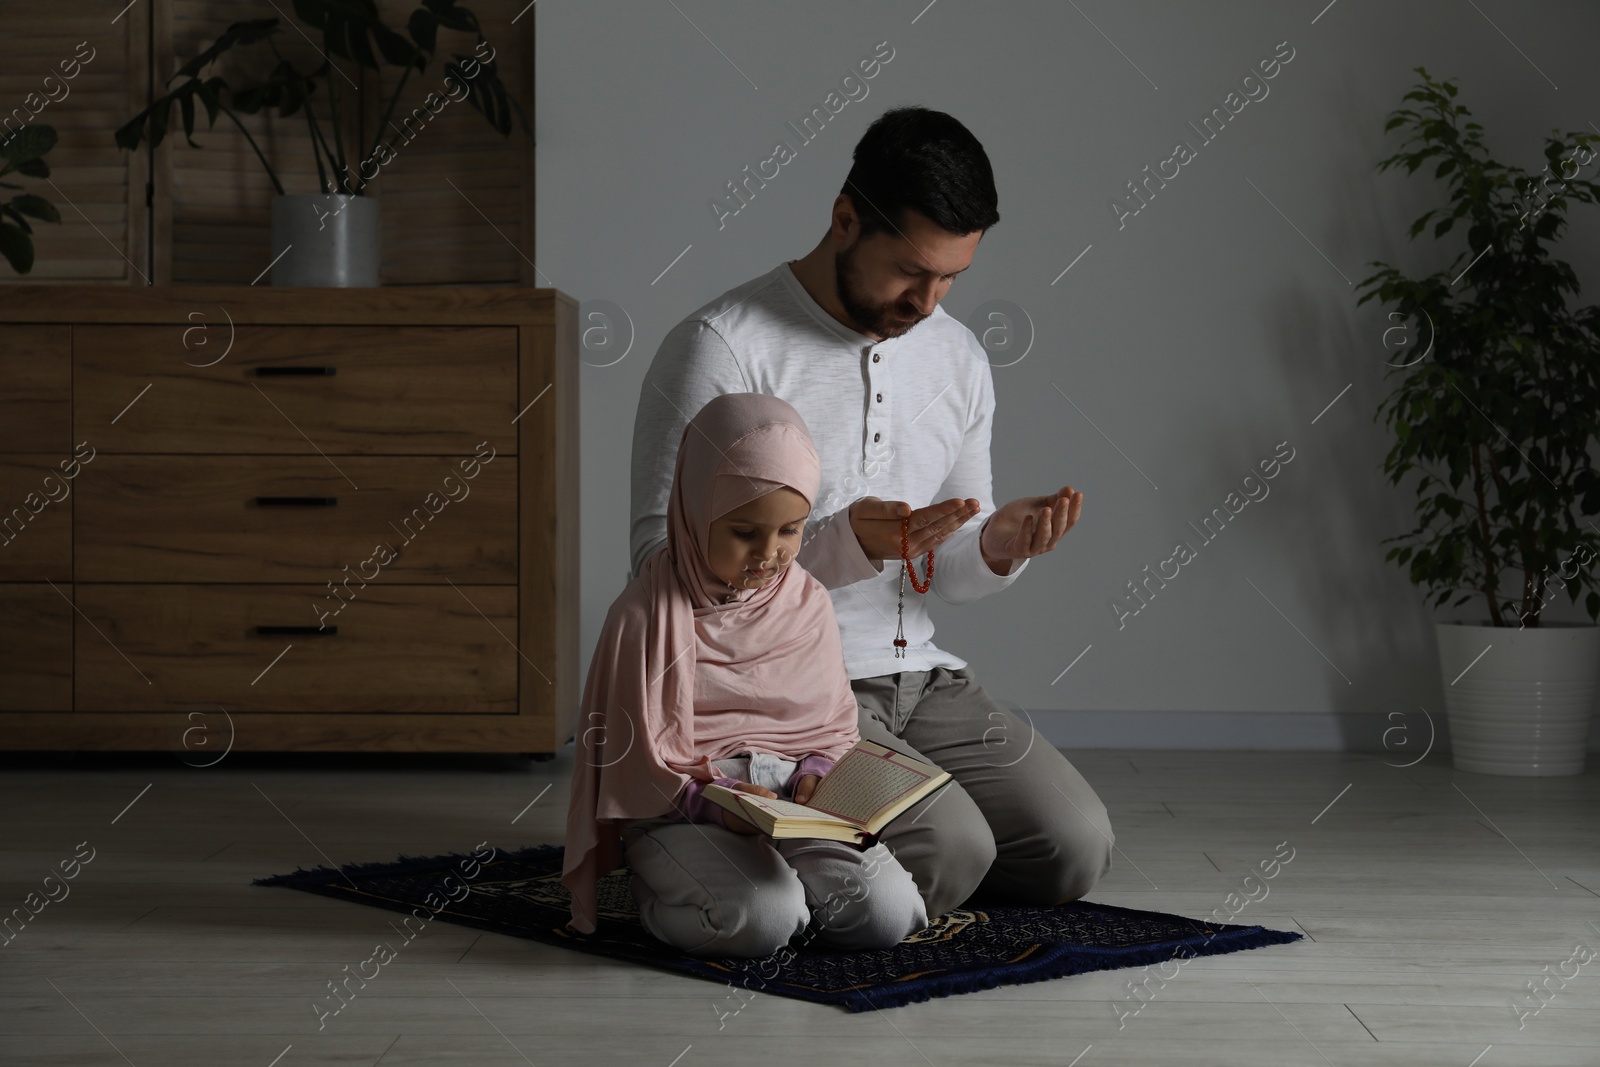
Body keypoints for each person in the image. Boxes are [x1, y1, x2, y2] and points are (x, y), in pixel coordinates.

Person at [629, 106, 1113, 921]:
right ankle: (709, 837)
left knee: (1073, 846)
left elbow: (947, 570)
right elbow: (657, 568)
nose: (928, 301)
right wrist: (841, 544)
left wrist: (995, 544)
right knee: (955, 846)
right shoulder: (723, 345)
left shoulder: (956, 355)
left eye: (952, 278)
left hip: (918, 679)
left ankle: (847, 847)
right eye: (910, 271)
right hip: (777, 687)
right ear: (845, 219)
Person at [562, 391, 928, 957]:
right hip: (684, 809)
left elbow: (831, 725)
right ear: (693, 510)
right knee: (762, 922)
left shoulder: (805, 601)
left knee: (887, 916)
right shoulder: (643, 614)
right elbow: (637, 764)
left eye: (791, 530)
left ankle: (779, 882)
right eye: (743, 532)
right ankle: (652, 895)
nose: (771, 553)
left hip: (795, 804)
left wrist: (814, 772)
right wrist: (724, 803)